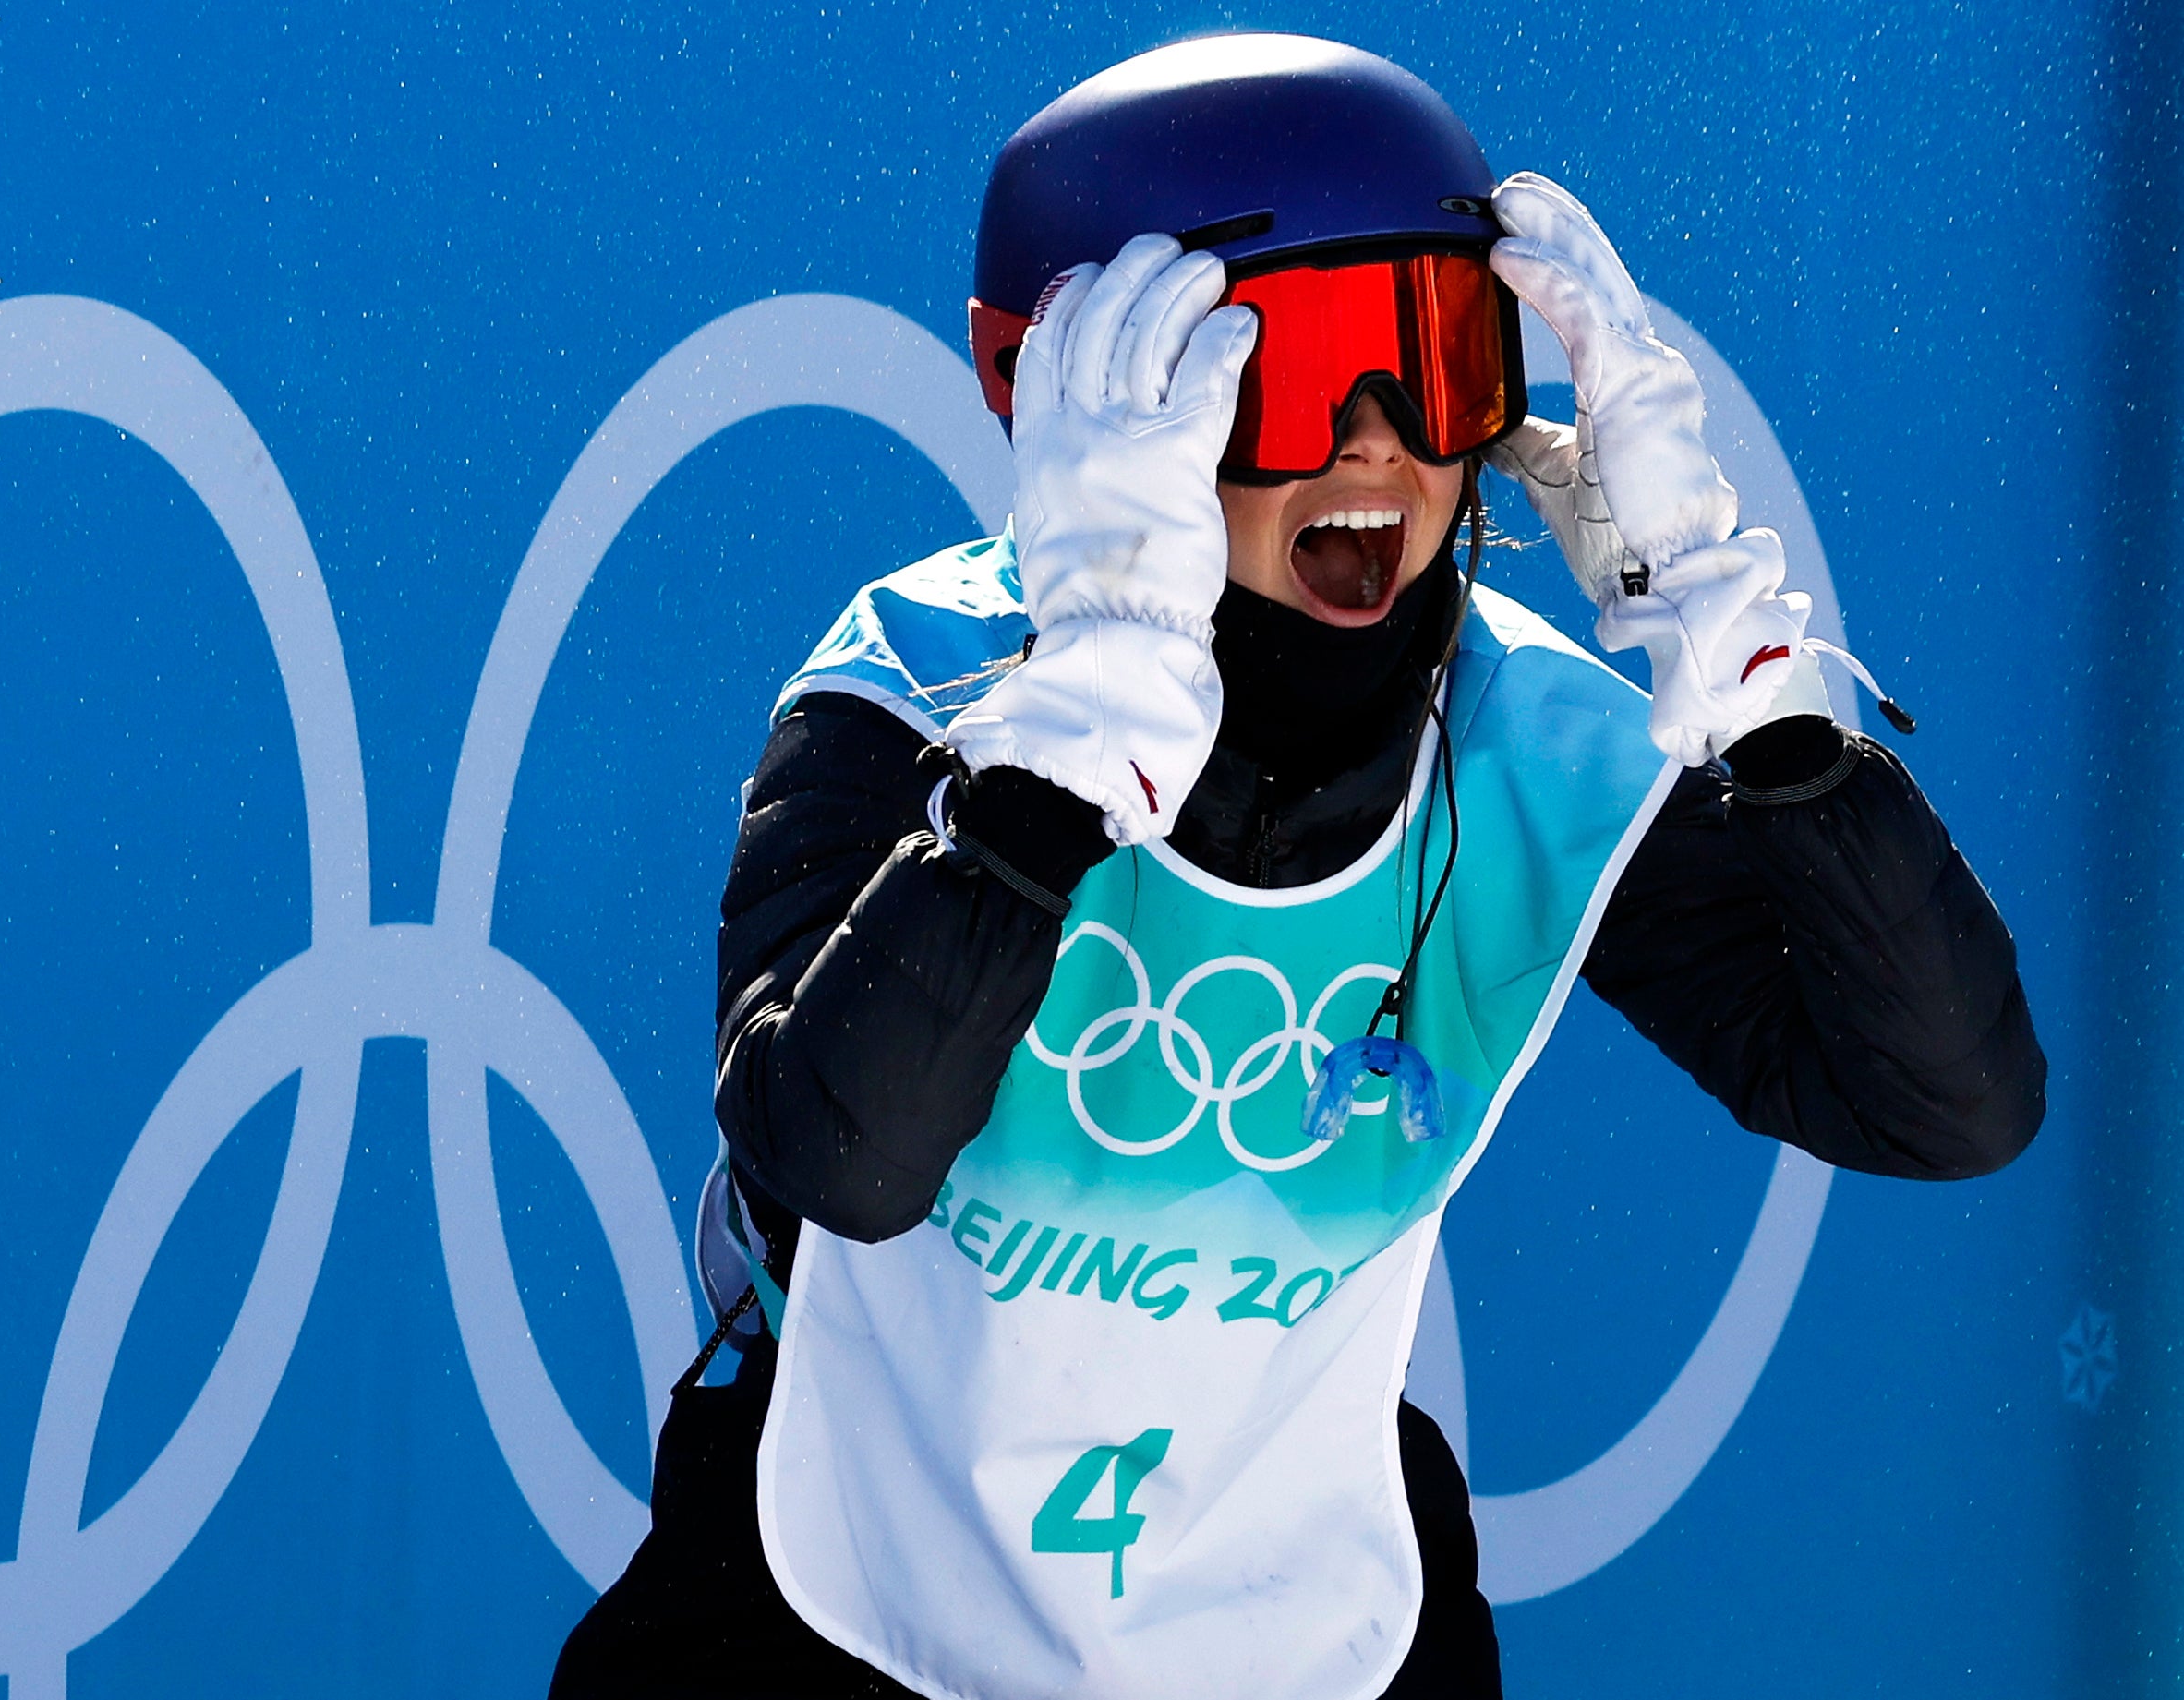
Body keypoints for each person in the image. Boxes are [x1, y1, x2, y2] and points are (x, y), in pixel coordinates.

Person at [551, 33, 2044, 1700]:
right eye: (1289, 362)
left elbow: (1948, 1102)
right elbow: (844, 1155)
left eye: (1436, 351)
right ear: (1080, 399)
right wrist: (1075, 733)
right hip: (836, 1594)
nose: (1381, 442)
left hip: (1298, 1621)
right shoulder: (918, 683)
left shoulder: (1526, 747)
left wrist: (1750, 686)